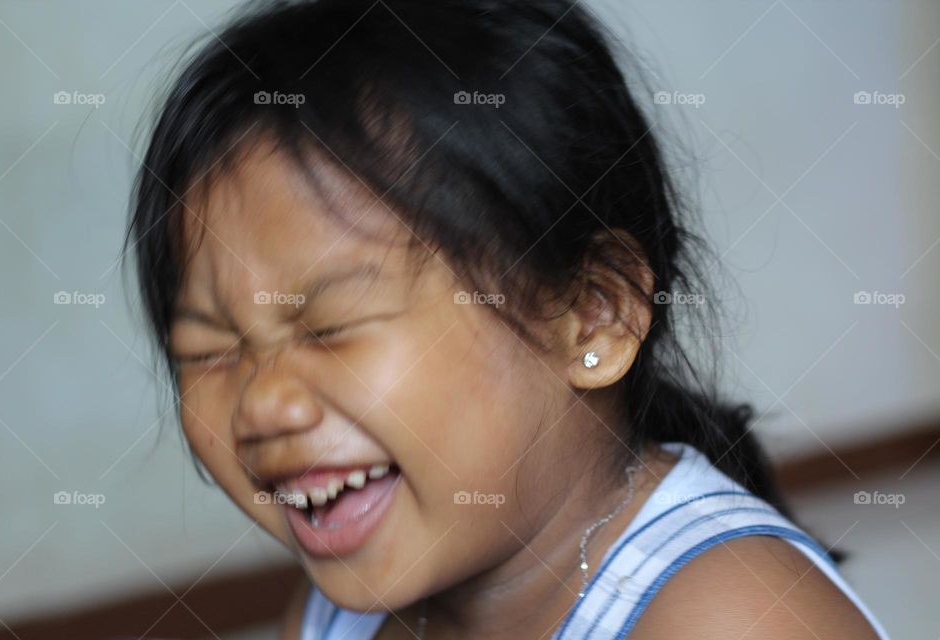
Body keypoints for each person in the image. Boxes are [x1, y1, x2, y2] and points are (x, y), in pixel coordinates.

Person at [124, 0, 889, 637]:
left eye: (330, 328)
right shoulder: (338, 610)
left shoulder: (734, 621)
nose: (262, 404)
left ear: (593, 316)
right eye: (209, 349)